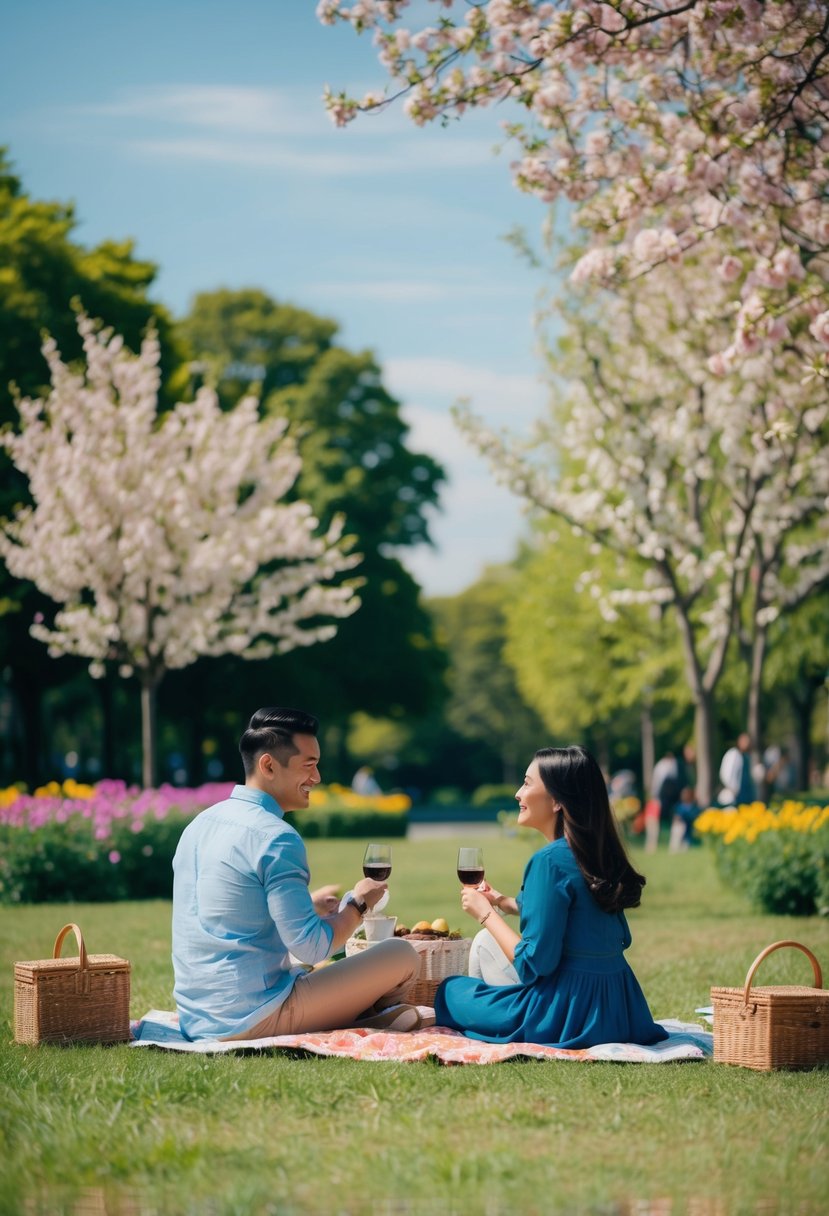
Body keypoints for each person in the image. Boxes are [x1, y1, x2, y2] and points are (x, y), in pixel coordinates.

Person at [172, 707, 421, 1041]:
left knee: (306, 971)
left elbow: (222, 914)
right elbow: (312, 948)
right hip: (253, 1018)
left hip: (197, 1018)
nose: (317, 778)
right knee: (401, 954)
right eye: (309, 765)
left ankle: (373, 1020)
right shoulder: (276, 836)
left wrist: (308, 905)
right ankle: (370, 1020)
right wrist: (357, 904)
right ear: (269, 765)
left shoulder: (199, 824)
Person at [433, 745, 668, 1047]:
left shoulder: (548, 861)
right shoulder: (598, 853)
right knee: (484, 947)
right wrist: (502, 901)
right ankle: (500, 1007)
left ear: (557, 800)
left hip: (566, 1013)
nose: (519, 793)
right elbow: (575, 917)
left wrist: (485, 914)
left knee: (452, 991)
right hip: (618, 1008)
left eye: (528, 783)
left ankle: (499, 1019)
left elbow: (533, 965)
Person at [718, 732, 756, 806]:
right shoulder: (733, 754)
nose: (747, 744)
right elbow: (726, 774)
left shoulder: (747, 757)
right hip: (735, 795)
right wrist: (734, 790)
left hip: (746, 794)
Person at [669, 786, 701, 852]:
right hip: (680, 826)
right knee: (676, 838)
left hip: (689, 829)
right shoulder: (679, 806)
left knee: (685, 845)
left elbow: (695, 816)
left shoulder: (693, 807)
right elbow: (676, 815)